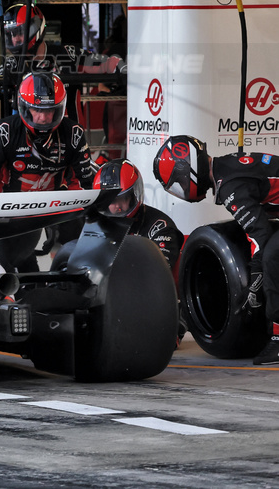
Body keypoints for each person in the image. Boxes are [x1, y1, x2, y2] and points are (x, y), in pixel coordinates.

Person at [153, 136, 279, 364]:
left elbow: (261, 236)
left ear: (187, 170)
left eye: (178, 183)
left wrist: (254, 284)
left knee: (271, 256)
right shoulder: (226, 169)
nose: (181, 189)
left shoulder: (230, 185)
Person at [0, 72, 95, 271]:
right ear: (25, 108)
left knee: (80, 239)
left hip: (58, 206)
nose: (42, 118)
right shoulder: (4, 133)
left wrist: (58, 215)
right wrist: (4, 219)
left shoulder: (74, 134)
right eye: (36, 110)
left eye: (49, 111)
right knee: (1, 256)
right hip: (13, 207)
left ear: (60, 109)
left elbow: (84, 185)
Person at [93, 158, 182, 272]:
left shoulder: (161, 227)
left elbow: (160, 272)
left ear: (133, 196)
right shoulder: (97, 223)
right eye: (110, 201)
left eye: (121, 199)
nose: (116, 206)